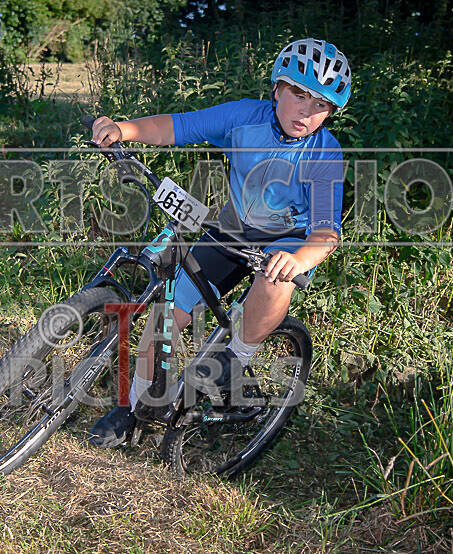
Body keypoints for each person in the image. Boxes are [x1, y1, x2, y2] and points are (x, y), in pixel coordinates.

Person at [88, 38, 351, 447]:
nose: (306, 110)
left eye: (320, 104)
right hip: (231, 232)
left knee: (275, 278)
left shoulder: (325, 154)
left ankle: (235, 359)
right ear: (277, 89)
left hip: (285, 245)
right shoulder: (244, 116)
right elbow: (179, 126)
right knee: (162, 321)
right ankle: (132, 410)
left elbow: (325, 232)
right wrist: (125, 129)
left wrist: (299, 258)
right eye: (298, 94)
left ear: (330, 112)